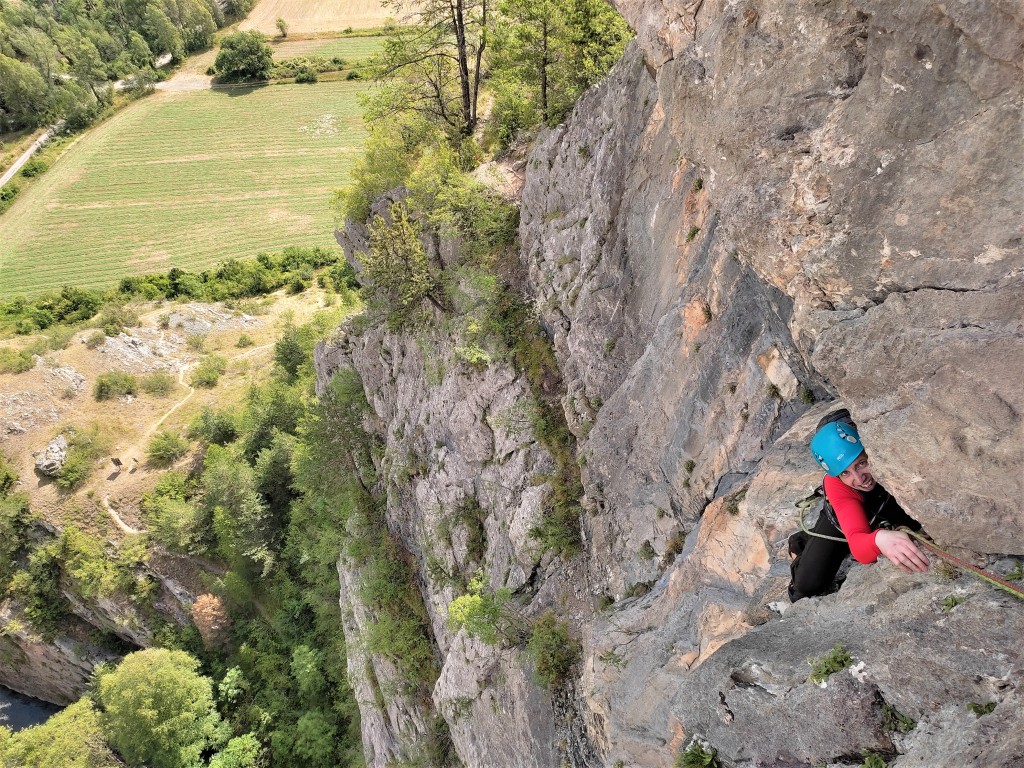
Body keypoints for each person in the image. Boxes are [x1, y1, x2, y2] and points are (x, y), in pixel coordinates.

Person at [788, 411, 929, 602]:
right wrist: (879, 539)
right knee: (807, 584)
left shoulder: (888, 454)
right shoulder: (837, 485)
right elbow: (859, 549)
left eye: (861, 463)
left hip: (885, 502)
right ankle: (801, 541)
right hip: (845, 516)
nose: (859, 479)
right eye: (845, 473)